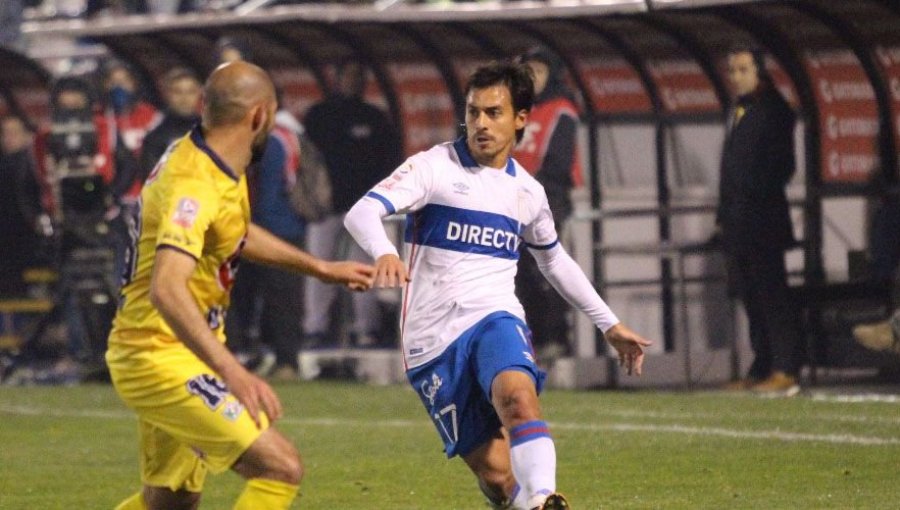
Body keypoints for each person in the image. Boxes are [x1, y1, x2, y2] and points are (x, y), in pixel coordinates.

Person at [344, 62, 651, 510]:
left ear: (521, 118)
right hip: (431, 341)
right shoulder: (433, 167)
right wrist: (385, 252)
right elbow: (362, 213)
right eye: (474, 112)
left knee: (517, 397)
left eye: (494, 112)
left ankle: (545, 498)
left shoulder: (528, 193)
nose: (481, 124)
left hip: (494, 318)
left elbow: (554, 260)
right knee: (498, 476)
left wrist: (609, 324)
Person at [106, 61, 373, 510]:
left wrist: (321, 269)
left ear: (201, 105)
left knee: (170, 502)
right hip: (158, 354)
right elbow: (167, 288)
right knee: (280, 467)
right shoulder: (195, 183)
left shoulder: (210, 161)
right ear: (260, 116)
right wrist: (233, 371)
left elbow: (235, 231)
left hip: (174, 350)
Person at [715, 45, 803, 394]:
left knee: (772, 295)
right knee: (750, 296)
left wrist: (753, 195)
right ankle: (762, 364)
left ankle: (786, 366)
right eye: (732, 70)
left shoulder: (775, 109)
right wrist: (723, 216)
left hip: (763, 220)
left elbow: (783, 166)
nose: (736, 77)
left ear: (760, 71)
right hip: (737, 221)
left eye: (743, 69)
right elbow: (729, 170)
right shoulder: (737, 108)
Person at [302, 60, 404, 349]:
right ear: (336, 78)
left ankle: (366, 330)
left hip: (365, 208)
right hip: (327, 208)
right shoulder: (319, 115)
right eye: (348, 75)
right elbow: (307, 162)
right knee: (318, 267)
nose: (353, 81)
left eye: (358, 76)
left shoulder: (374, 117)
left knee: (366, 269)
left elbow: (390, 160)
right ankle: (315, 329)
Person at [512, 46, 584, 360]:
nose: (532, 78)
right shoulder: (514, 109)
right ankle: (530, 334)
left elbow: (557, 161)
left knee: (548, 268)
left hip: (547, 200)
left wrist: (529, 192)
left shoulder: (561, 109)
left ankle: (555, 336)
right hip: (509, 201)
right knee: (515, 271)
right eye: (528, 71)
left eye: (539, 71)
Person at [0, 114, 43, 297]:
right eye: (4, 133)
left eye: (14, 133)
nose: (8, 139)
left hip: (30, 241)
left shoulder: (36, 166)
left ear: (28, 136)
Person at [139, 67, 202, 183]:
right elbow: (151, 183)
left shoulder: (212, 133)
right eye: (178, 92)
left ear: (199, 94)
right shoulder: (155, 138)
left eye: (190, 92)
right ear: (167, 95)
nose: (185, 99)